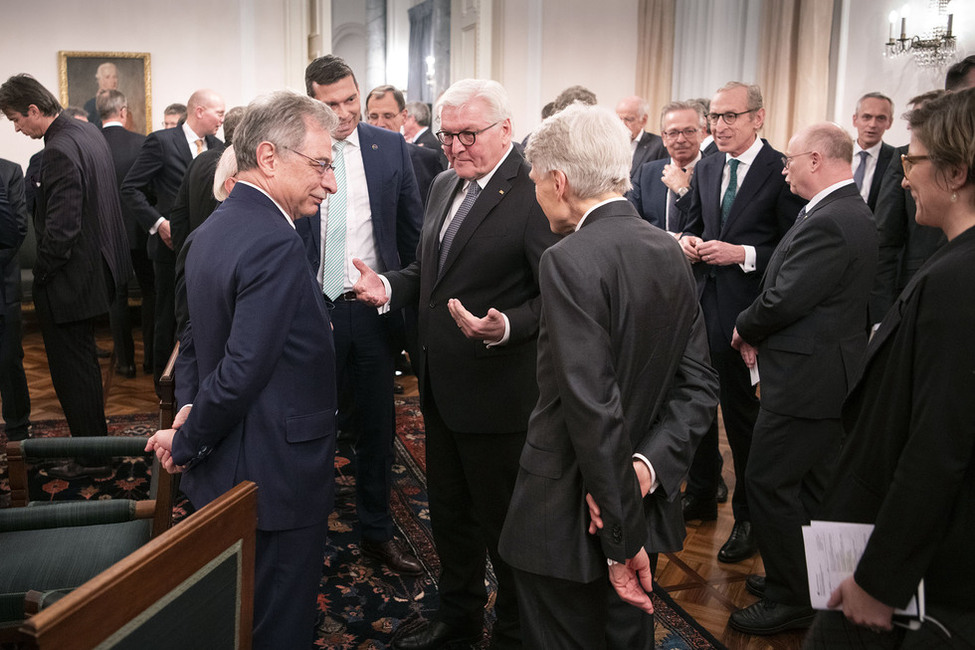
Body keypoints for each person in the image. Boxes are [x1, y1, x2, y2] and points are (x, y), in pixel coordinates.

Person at [497, 103, 718, 650]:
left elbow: (592, 404)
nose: (535, 194)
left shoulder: (568, 259)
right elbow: (698, 388)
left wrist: (620, 540)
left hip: (570, 519)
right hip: (639, 504)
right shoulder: (669, 251)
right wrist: (645, 470)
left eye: (534, 182)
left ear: (559, 180)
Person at [353, 78, 560, 650]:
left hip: (500, 394)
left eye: (469, 134)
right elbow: (431, 273)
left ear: (505, 131)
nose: (455, 146)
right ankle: (460, 616)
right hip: (440, 387)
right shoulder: (445, 183)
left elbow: (557, 296)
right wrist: (388, 286)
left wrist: (509, 325)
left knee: (504, 527)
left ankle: (516, 632)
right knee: (449, 516)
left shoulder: (533, 193)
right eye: (447, 135)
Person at [146, 90, 339, 650]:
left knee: (241, 613)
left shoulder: (213, 227)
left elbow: (196, 345)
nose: (328, 183)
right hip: (275, 471)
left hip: (232, 464)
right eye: (322, 166)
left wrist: (187, 414)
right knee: (277, 622)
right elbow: (242, 369)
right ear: (270, 156)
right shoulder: (275, 241)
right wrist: (186, 441)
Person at [804, 85, 975, 650]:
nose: (904, 177)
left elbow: (938, 445)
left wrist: (879, 580)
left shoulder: (958, 282)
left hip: (920, 573)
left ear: (955, 173)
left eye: (915, 159)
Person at [728, 122, 878, 635]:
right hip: (821, 377)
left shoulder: (832, 219)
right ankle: (807, 580)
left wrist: (743, 326)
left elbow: (787, 296)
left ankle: (791, 595)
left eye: (790, 159)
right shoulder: (839, 210)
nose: (784, 167)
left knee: (767, 482)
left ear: (816, 159)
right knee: (812, 488)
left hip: (806, 380)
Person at [300, 55, 424, 577]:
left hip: (372, 313)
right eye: (331, 104)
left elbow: (413, 232)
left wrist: (404, 296)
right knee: (309, 425)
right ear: (311, 102)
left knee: (377, 429)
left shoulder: (390, 146)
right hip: (311, 311)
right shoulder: (296, 150)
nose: (346, 112)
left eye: (351, 99)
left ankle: (376, 532)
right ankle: (305, 528)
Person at [676, 82, 803, 562]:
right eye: (715, 116)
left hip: (752, 315)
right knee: (698, 408)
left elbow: (796, 248)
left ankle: (749, 518)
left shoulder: (780, 170)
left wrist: (743, 254)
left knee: (745, 422)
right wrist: (688, 242)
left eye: (731, 116)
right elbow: (691, 223)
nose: (719, 126)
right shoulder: (707, 166)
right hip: (703, 308)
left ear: (758, 118)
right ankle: (702, 493)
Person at [0, 74, 130, 478]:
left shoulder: (57, 148)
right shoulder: (87, 132)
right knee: (84, 369)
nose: (17, 128)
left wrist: (40, 275)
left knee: (73, 375)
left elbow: (61, 229)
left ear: (34, 110)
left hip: (72, 282)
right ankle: (97, 450)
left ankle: (92, 461)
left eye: (16, 120)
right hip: (101, 271)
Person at [121, 88, 224, 389]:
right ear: (199, 111)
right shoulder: (162, 142)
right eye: (219, 112)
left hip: (210, 249)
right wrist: (158, 222)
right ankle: (164, 387)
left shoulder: (219, 147)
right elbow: (131, 188)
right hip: (170, 247)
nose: (222, 118)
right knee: (168, 315)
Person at [98, 89, 153, 378]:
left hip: (105, 235)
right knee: (151, 294)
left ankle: (126, 363)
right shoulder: (142, 143)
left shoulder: (90, 143)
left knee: (116, 298)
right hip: (141, 231)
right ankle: (151, 361)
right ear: (123, 111)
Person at [170, 105, 245, 254]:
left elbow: (178, 213)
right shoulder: (245, 165)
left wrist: (183, 255)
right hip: (226, 256)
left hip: (193, 252)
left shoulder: (200, 159)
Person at [628, 100, 707, 233]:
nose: (681, 139)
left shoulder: (716, 171)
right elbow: (631, 220)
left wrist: (684, 191)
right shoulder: (647, 172)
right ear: (664, 137)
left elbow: (710, 224)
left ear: (702, 133)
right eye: (673, 133)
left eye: (689, 131)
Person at [365, 84, 445, 204]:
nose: (380, 123)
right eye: (374, 116)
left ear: (404, 117)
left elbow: (437, 208)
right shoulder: (358, 158)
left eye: (388, 116)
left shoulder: (426, 159)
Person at [0, 157, 30, 441]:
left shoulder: (9, 172)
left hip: (3, 287)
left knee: (9, 361)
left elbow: (17, 230)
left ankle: (18, 431)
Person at [851, 92, 895, 211]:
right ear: (855, 120)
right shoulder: (837, 153)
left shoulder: (895, 159)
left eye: (881, 118)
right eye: (867, 117)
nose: (872, 124)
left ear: (889, 123)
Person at [616, 95, 667, 179]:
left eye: (628, 119)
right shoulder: (611, 144)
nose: (622, 124)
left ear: (643, 120)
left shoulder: (658, 146)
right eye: (619, 119)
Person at [83, 62, 118, 127]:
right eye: (108, 77)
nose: (114, 81)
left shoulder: (122, 102)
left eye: (115, 77)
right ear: (100, 80)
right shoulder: (90, 105)